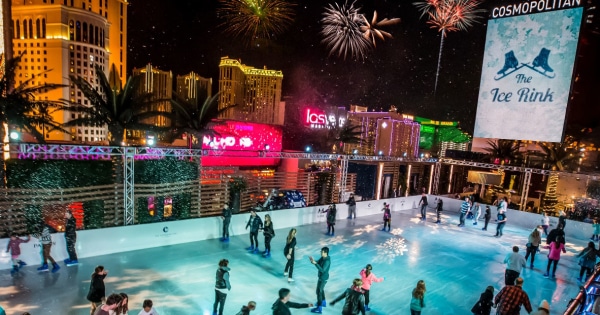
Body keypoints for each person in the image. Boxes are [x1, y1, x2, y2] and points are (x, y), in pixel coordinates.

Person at [309, 247, 331, 313]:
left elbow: (322, 270)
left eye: (322, 252)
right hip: (321, 277)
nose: (321, 252)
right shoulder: (322, 258)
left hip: (323, 278)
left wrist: (315, 263)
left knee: (319, 292)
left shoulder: (327, 261)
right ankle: (323, 302)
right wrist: (313, 261)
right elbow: (317, 262)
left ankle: (319, 308)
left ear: (325, 252)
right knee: (320, 290)